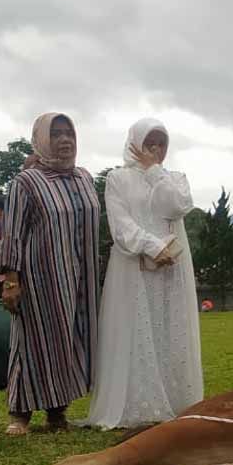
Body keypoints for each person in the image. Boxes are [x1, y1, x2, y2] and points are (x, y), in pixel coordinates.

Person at [85, 118, 203, 429]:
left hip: (171, 268)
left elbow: (177, 207)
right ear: (135, 142)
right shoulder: (117, 178)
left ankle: (177, 400)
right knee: (136, 329)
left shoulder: (175, 177)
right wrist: (151, 246)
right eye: (149, 143)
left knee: (169, 328)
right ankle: (137, 404)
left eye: (161, 143)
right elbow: (120, 225)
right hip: (133, 266)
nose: (155, 149)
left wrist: (154, 171)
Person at [0, 113, 100, 435]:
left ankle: (57, 413)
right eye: (56, 134)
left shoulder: (84, 177)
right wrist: (12, 280)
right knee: (31, 343)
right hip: (41, 279)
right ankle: (20, 414)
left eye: (70, 133)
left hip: (81, 279)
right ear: (41, 139)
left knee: (68, 341)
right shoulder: (26, 182)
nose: (65, 140)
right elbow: (12, 232)